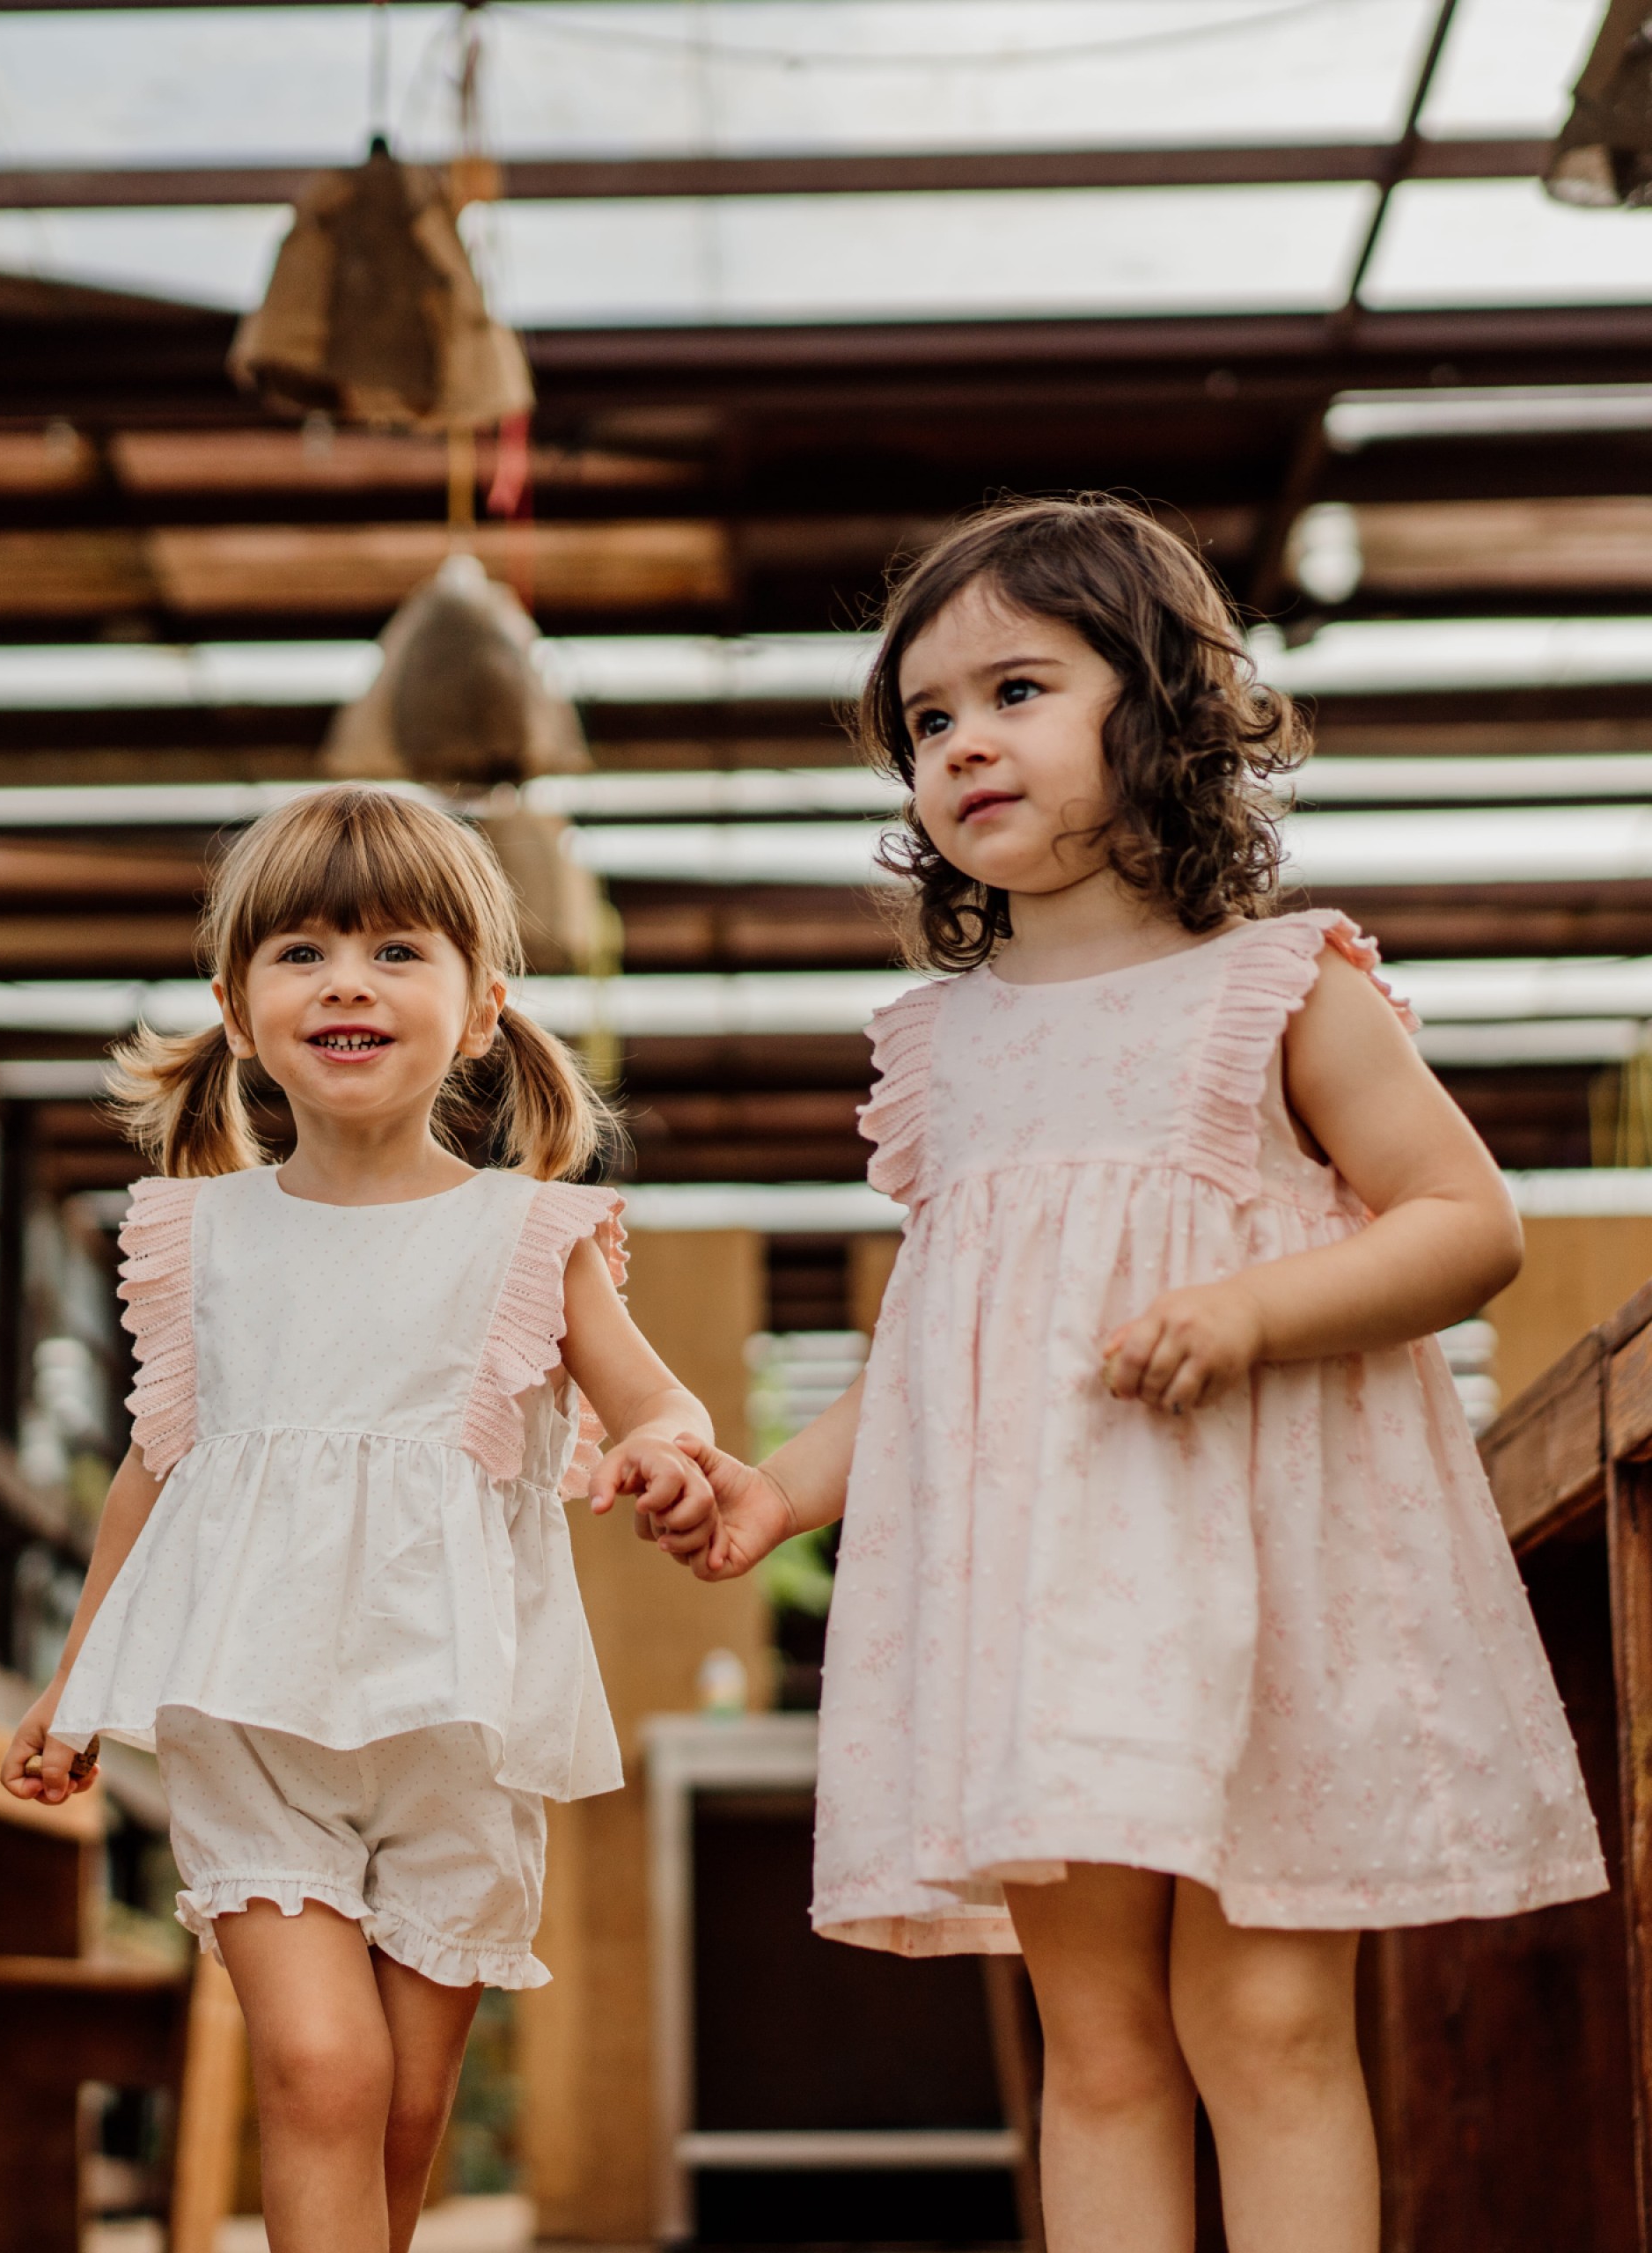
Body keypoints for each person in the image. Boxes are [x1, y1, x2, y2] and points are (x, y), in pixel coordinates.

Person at [676, 497, 1606, 2253]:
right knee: (1096, 2045)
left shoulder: (1279, 985)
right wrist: (776, 1484)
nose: (962, 743)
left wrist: (1257, 1310)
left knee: (1263, 2023)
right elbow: (936, 1353)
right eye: (927, 721)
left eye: (1015, 685)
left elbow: (1463, 1222)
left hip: (1258, 1591)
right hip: (1058, 1620)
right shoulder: (947, 1051)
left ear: (1165, 701)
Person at [0, 788, 719, 2253]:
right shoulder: (194, 1235)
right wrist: (74, 1686)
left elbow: (659, 1403)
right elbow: (157, 1474)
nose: (346, 981)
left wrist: (673, 1456)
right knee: (319, 2068)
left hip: (455, 1728)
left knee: (397, 2108)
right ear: (237, 1005)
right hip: (250, 1713)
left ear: (479, 1010)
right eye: (302, 951)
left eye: (398, 950)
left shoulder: (533, 1232)